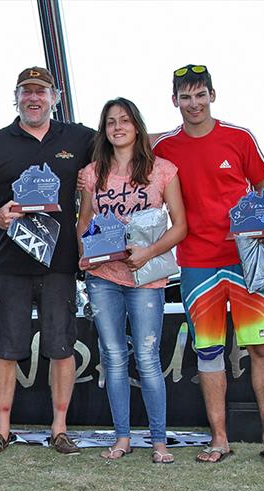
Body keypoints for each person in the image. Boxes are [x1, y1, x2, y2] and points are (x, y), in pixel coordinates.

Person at [153, 64, 264, 467]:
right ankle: (219, 440)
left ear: (212, 95)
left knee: (261, 347)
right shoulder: (166, 147)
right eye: (185, 96)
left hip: (245, 261)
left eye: (200, 95)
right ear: (174, 101)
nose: (193, 104)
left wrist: (262, 222)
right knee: (209, 352)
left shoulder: (238, 137)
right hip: (196, 264)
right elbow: (131, 150)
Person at [0, 67, 94, 456]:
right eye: (26, 92)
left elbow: (123, 147)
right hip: (11, 262)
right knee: (6, 348)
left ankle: (59, 429)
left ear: (54, 97)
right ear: (16, 97)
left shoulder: (80, 138)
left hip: (60, 262)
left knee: (61, 347)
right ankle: (2, 430)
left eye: (41, 91)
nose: (34, 98)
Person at [77, 98, 187, 464]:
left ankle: (159, 441)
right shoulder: (93, 173)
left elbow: (181, 226)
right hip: (103, 277)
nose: (118, 127)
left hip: (146, 278)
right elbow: (84, 222)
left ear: (137, 126)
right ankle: (122, 437)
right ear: (104, 130)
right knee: (113, 358)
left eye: (124, 120)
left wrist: (150, 252)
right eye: (110, 122)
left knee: (147, 357)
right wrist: (84, 252)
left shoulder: (163, 170)